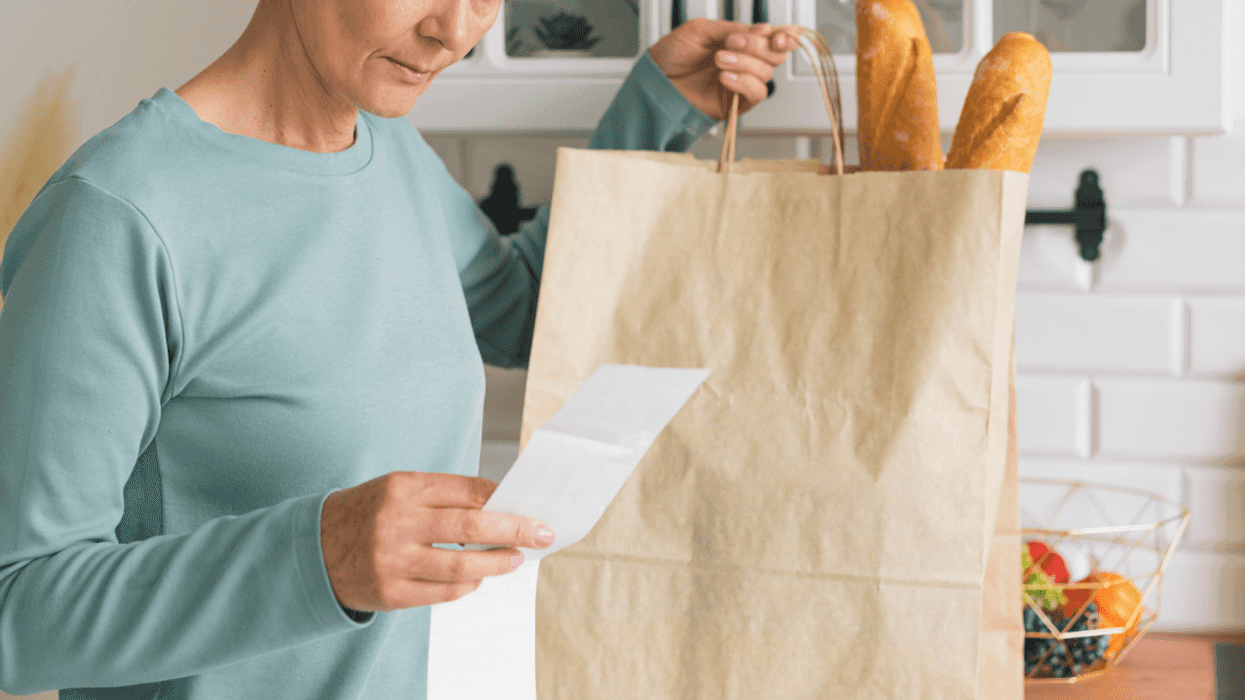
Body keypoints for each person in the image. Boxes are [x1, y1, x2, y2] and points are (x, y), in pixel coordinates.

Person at [0, 1, 796, 698]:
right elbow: (17, 606)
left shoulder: (391, 149)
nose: (452, 31)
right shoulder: (117, 216)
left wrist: (652, 109)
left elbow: (517, 314)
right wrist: (317, 557)